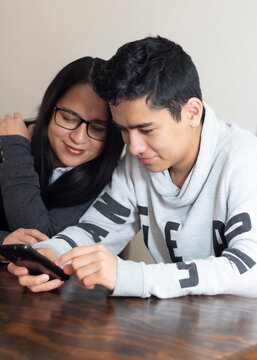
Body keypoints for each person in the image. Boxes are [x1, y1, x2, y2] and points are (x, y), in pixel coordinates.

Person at [9, 36, 257, 298]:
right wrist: (52, 254)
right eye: (124, 130)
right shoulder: (138, 163)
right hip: (181, 324)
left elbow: (250, 270)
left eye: (146, 129)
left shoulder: (244, 159)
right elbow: (94, 232)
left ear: (192, 113)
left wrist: (133, 276)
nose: (134, 147)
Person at [0, 56, 124, 249]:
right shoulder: (10, 139)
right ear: (50, 109)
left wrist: (16, 154)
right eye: (69, 119)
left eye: (98, 128)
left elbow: (42, 240)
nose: (79, 138)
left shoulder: (112, 181)